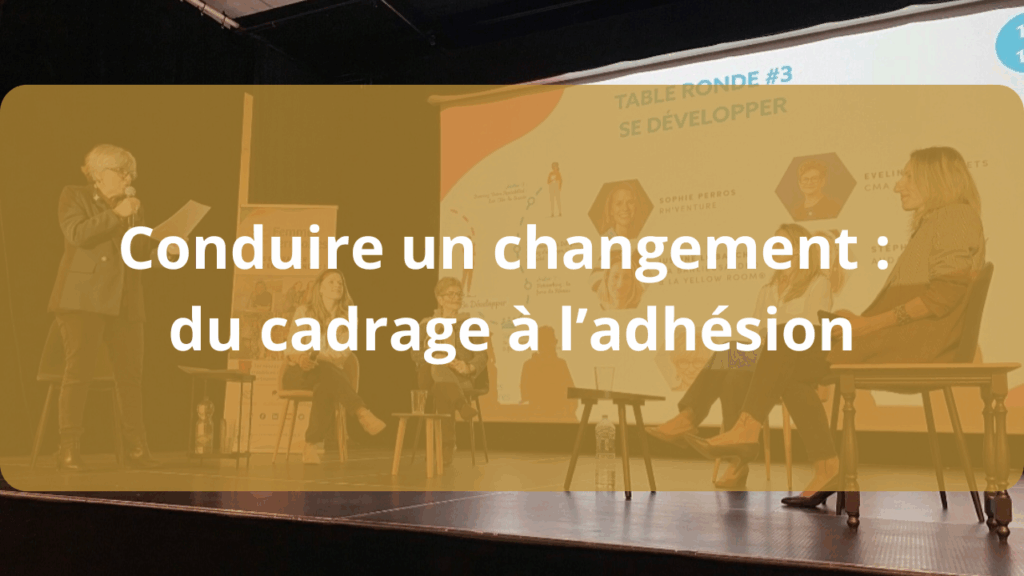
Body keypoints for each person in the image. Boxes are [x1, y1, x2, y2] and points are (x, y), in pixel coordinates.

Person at [687, 147, 986, 507]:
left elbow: (944, 296)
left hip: (919, 346)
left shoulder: (953, 217)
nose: (898, 185)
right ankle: (818, 464)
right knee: (754, 359)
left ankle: (742, 430)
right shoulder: (941, 221)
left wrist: (866, 325)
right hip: (898, 338)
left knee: (785, 340)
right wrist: (858, 321)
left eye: (908, 176)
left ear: (934, 180)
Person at [649, 224, 843, 488]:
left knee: (759, 353)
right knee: (731, 361)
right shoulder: (768, 289)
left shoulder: (818, 282)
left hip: (799, 356)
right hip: (767, 357)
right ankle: (692, 419)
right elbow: (755, 330)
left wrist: (772, 334)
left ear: (799, 249)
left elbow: (811, 327)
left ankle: (730, 454)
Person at [48, 144, 163, 471]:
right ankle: (68, 447)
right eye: (121, 172)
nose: (129, 178)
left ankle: (137, 447)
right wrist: (116, 214)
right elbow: (77, 233)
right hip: (83, 298)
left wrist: (162, 252)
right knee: (78, 373)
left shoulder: (133, 208)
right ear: (98, 174)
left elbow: (136, 254)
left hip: (125, 299)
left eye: (131, 173)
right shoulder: (74, 195)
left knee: (131, 377)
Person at [283, 269, 386, 465]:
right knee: (327, 374)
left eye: (340, 282)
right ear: (320, 288)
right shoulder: (304, 311)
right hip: (299, 372)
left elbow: (341, 354)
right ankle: (361, 411)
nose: (337, 285)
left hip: (327, 373)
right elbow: (290, 347)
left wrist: (316, 356)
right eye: (331, 282)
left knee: (325, 384)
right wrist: (301, 358)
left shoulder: (348, 318)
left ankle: (310, 446)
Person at [412, 277, 485, 464]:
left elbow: (481, 356)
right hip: (427, 375)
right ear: (440, 299)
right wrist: (436, 356)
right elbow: (415, 354)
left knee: (442, 389)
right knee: (436, 365)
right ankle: (461, 406)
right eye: (450, 294)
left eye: (458, 294)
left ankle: (447, 444)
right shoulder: (425, 324)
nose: (456, 298)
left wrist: (468, 366)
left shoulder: (471, 325)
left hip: (458, 377)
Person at [518, 326, 577, 420]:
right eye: (552, 340)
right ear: (542, 344)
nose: (556, 343)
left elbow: (572, 395)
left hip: (562, 418)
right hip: (540, 420)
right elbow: (526, 396)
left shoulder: (561, 364)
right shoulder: (530, 366)